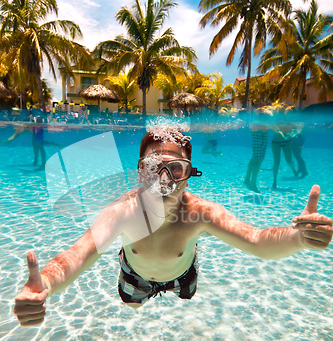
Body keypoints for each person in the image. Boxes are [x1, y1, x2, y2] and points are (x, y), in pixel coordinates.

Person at [14, 125, 332, 326]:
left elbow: (258, 240)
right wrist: (45, 284)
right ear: (140, 172)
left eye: (175, 169)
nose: (164, 181)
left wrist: (299, 238)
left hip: (183, 272)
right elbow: (77, 256)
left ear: (189, 173)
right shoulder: (122, 212)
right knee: (134, 307)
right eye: (154, 168)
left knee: (186, 296)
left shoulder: (200, 213)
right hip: (134, 272)